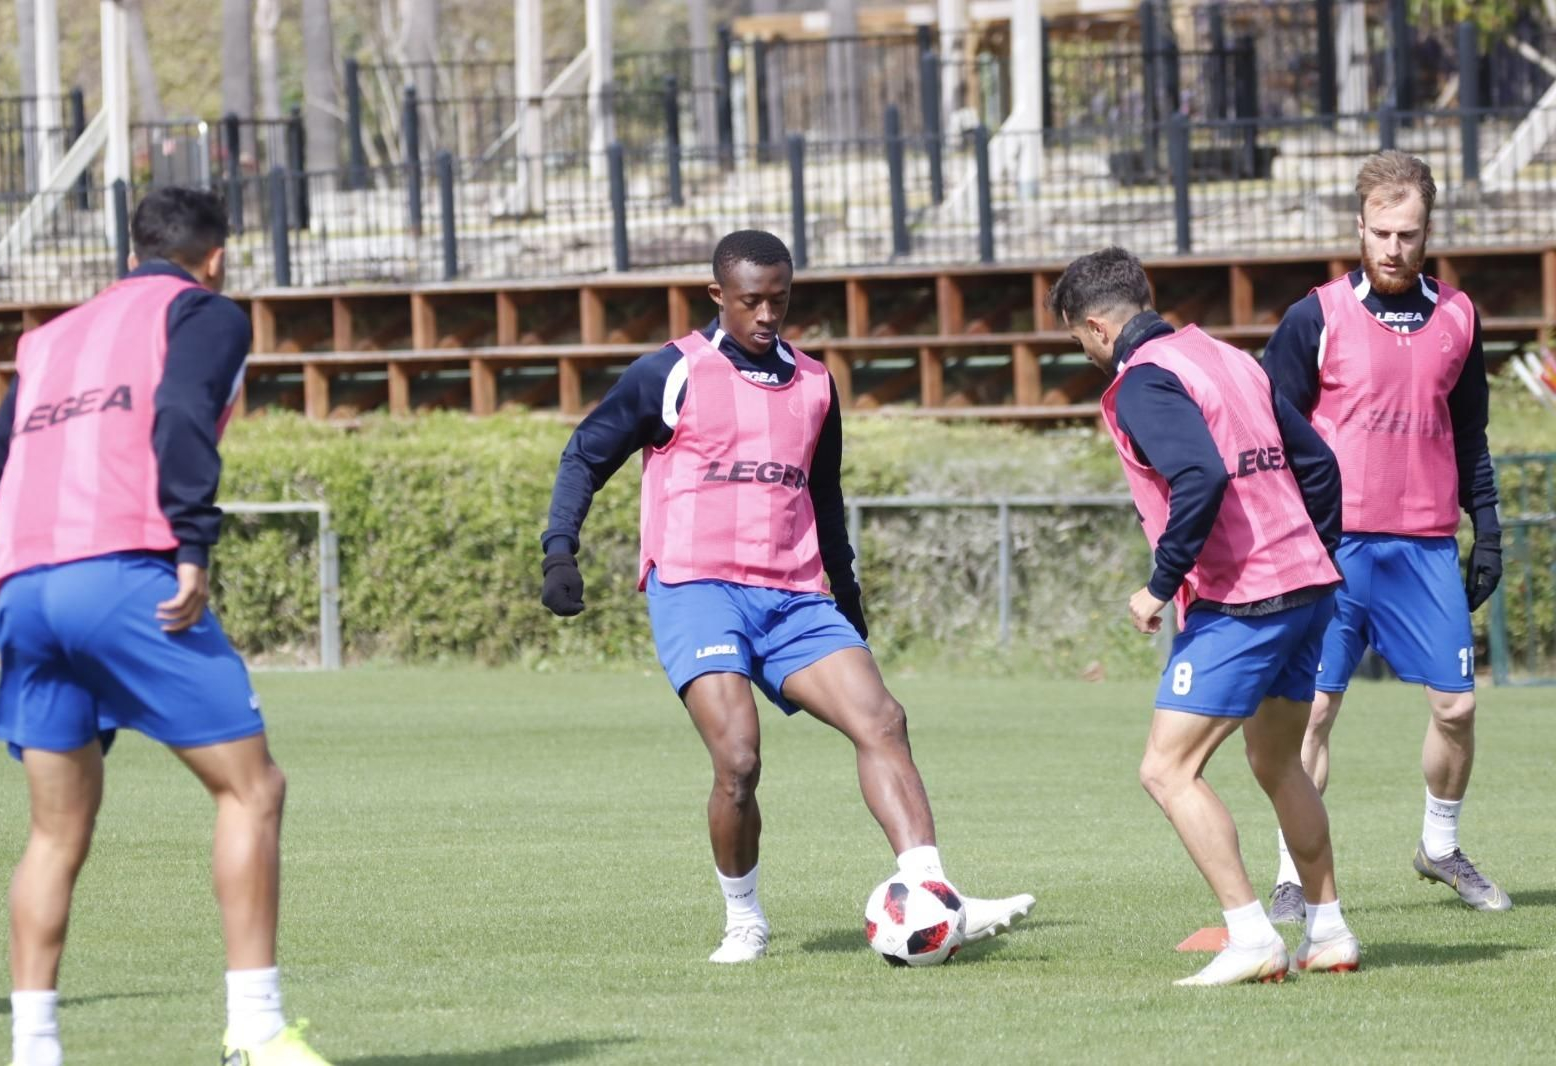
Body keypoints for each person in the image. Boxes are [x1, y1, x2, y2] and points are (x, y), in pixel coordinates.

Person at [539, 229, 1034, 963]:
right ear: (718, 297)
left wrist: (849, 594)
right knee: (738, 761)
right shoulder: (669, 373)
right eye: (751, 301)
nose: (768, 314)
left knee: (883, 720)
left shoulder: (814, 383)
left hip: (794, 594)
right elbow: (586, 452)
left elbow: (823, 498)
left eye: (780, 299)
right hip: (698, 587)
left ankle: (933, 894)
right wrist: (560, 550)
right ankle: (744, 918)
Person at [0, 187, 330, 1066]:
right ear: (216, 255)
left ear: (133, 250)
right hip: (124, 576)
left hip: (25, 586)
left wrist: (23, 552)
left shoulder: (48, 339)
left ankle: (35, 1049)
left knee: (55, 832)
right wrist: (192, 543)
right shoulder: (203, 311)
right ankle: (256, 1032)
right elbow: (178, 413)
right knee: (252, 790)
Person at [1051, 246, 1360, 985]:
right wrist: (1308, 552)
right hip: (1308, 585)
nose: (1084, 350)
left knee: (1166, 768)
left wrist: (1160, 585)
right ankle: (1331, 929)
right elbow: (1317, 462)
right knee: (1279, 760)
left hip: (1245, 599)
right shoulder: (1224, 357)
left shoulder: (1141, 384)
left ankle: (1252, 935)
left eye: (1076, 339)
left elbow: (1201, 474)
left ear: (1095, 327)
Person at [1260, 151, 1509, 920]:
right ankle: (1291, 878)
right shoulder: (1316, 318)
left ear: (1428, 230)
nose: (1395, 247)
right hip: (1333, 551)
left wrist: (1488, 526)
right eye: (1381, 232)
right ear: (1359, 229)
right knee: (1315, 713)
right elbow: (1272, 432)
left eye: (1409, 233)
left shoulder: (1459, 318)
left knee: (1457, 710)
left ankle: (1439, 847)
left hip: (1425, 546)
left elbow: (1470, 434)